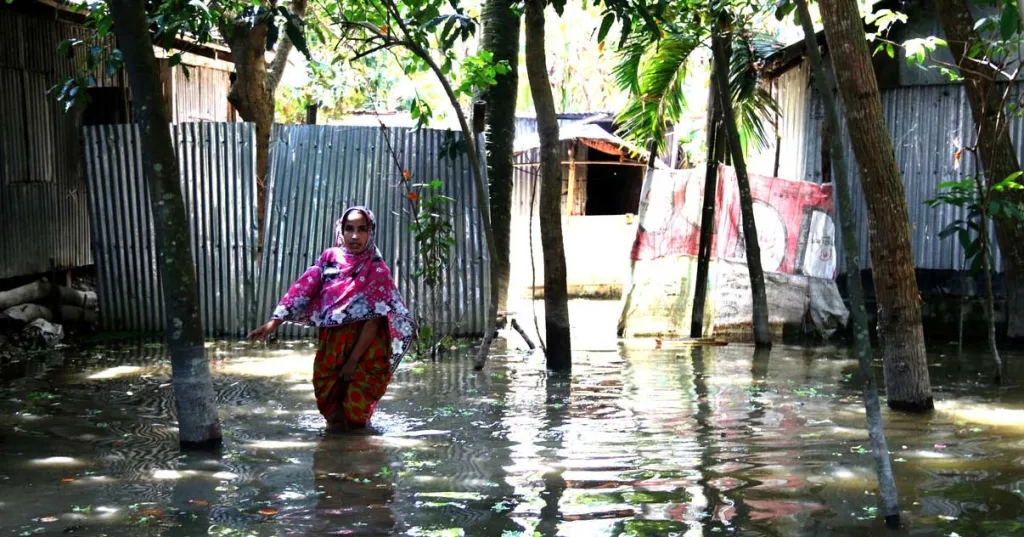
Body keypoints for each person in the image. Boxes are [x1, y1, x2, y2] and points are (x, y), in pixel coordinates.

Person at [247, 206, 415, 431]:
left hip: (366, 348)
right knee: (330, 405)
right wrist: (273, 322)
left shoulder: (377, 271)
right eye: (349, 229)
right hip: (332, 345)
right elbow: (303, 289)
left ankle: (361, 455)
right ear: (341, 231)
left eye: (362, 229)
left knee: (356, 412)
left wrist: (353, 361)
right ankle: (334, 455)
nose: (354, 236)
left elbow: (374, 321)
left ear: (371, 232)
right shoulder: (329, 259)